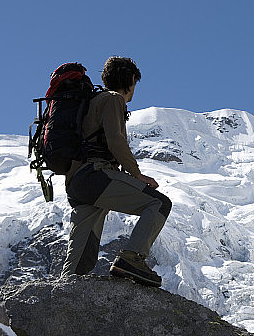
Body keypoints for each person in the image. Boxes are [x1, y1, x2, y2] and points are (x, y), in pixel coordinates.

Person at [61, 56, 172, 287]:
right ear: (131, 80)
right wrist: (136, 174)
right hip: (96, 175)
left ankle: (63, 293)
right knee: (159, 204)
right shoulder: (112, 100)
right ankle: (132, 258)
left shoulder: (92, 101)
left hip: (77, 183)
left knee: (78, 262)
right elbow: (116, 141)